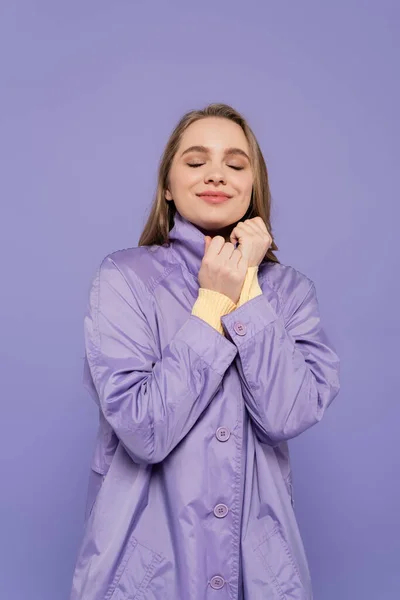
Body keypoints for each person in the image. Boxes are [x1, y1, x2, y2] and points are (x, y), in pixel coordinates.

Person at [70, 103, 340, 600]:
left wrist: (249, 294)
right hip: (143, 571)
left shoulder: (291, 292)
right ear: (168, 187)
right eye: (196, 162)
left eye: (236, 164)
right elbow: (143, 428)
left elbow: (289, 413)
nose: (217, 173)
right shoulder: (124, 278)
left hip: (258, 574)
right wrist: (213, 301)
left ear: (253, 187)